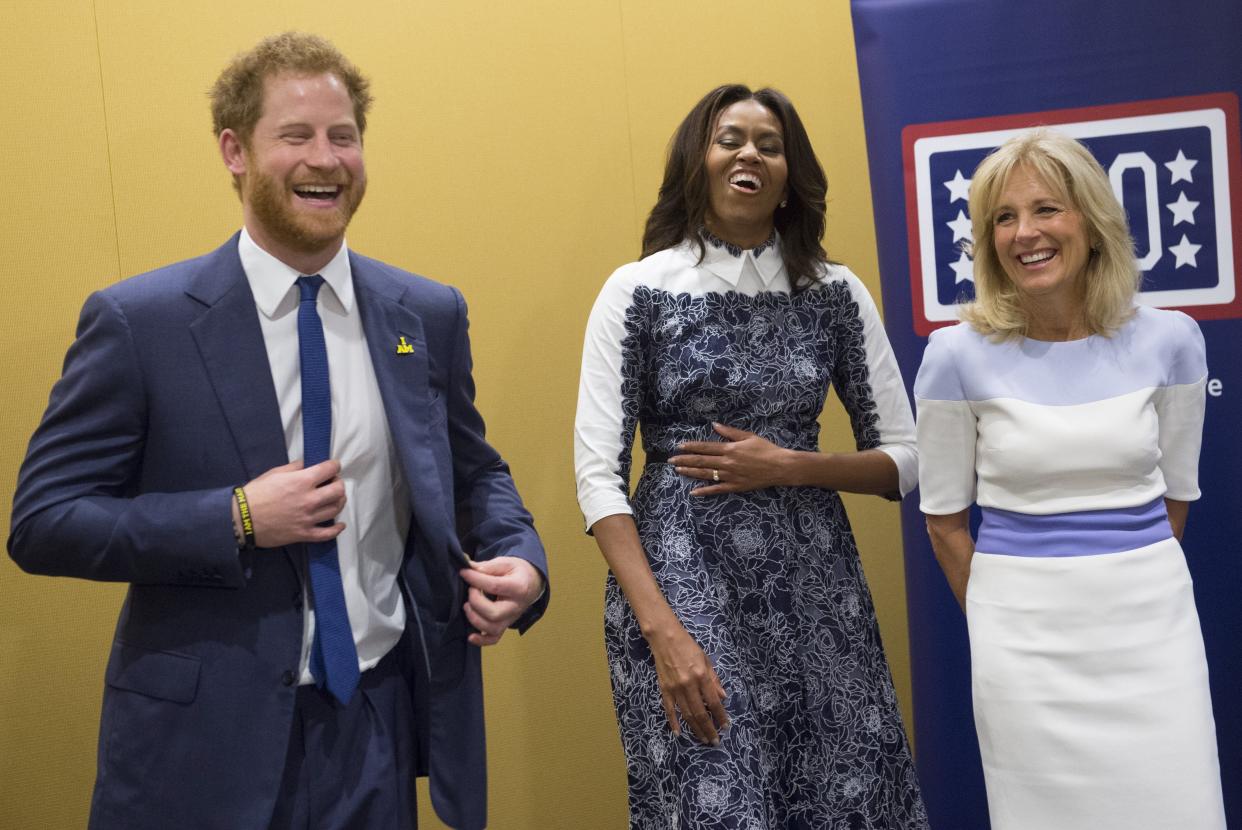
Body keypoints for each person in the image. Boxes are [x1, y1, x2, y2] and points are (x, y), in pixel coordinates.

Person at [7, 31, 548, 830]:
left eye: (344, 136)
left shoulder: (426, 315)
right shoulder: (139, 322)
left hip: (375, 728)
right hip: (200, 748)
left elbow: (473, 473)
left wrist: (524, 563)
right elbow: (43, 523)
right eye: (295, 136)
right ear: (235, 151)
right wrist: (235, 518)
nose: (325, 160)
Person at [574, 84, 928, 829]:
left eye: (771, 145)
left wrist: (792, 466)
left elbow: (908, 459)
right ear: (696, 160)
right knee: (719, 803)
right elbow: (597, 480)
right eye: (730, 138)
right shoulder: (636, 291)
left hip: (817, 595)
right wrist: (661, 632)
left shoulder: (834, 293)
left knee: (846, 802)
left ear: (789, 175)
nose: (750, 154)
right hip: (683, 593)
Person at [915, 129, 1226, 830]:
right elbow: (943, 523)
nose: (1025, 233)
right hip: (1023, 651)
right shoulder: (952, 355)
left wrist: (1123, 585)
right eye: (1003, 217)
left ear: (1090, 220)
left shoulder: (1172, 340)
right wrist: (1004, 622)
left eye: (1046, 209)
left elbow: (1176, 496)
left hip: (1153, 636)